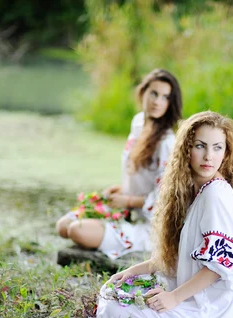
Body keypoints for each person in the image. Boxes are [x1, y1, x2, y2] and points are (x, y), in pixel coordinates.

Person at [95, 111, 233, 318]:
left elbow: (220, 266)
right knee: (112, 290)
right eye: (200, 146)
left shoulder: (216, 195)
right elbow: (180, 256)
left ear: (226, 153)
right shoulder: (194, 191)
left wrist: (174, 298)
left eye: (218, 147)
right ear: (186, 149)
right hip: (191, 296)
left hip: (211, 310)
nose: (209, 156)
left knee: (115, 312)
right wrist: (135, 270)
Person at [55, 69, 183, 259]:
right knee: (63, 226)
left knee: (76, 230)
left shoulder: (166, 142)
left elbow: (165, 198)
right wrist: (123, 190)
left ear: (170, 104)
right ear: (143, 92)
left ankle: (116, 237)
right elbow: (139, 175)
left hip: (151, 223)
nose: (157, 101)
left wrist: (129, 200)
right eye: (154, 93)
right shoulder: (138, 123)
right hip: (128, 208)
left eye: (165, 97)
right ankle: (106, 230)